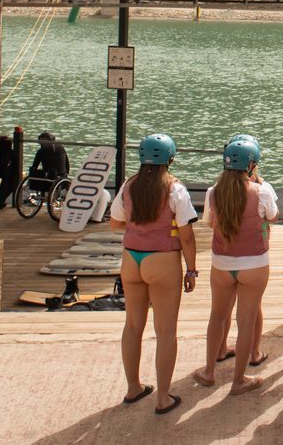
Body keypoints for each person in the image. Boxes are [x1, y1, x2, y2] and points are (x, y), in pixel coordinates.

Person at [110, 134, 198, 414]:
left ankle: (133, 387)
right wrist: (192, 269)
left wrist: (139, 229)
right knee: (166, 331)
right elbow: (186, 236)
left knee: (133, 325)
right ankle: (163, 397)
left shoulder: (129, 185)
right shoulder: (175, 189)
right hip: (162, 261)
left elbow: (115, 223)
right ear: (170, 159)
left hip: (131, 258)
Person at [195, 136, 277, 394]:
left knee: (217, 317)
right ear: (252, 165)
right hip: (254, 263)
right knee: (246, 322)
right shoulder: (261, 191)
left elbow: (210, 223)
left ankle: (209, 371)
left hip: (222, 263)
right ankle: (239, 380)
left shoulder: (212, 192)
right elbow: (273, 216)